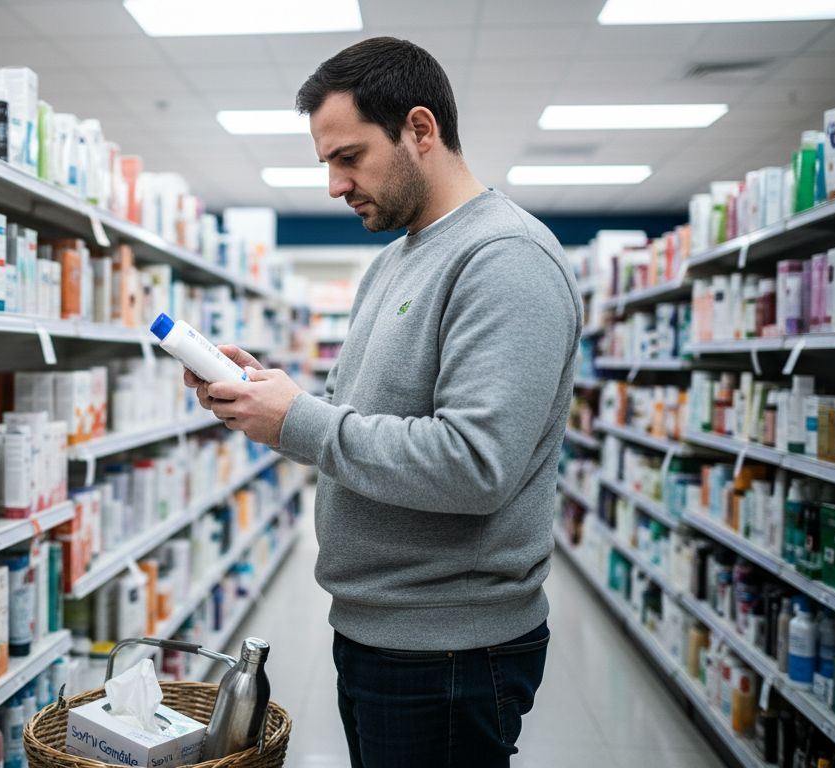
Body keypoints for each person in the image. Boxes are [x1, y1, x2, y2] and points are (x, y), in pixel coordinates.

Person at [183, 37, 582, 768]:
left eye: (350, 157)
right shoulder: (394, 261)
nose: (335, 185)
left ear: (419, 129)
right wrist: (269, 403)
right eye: (327, 163)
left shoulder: (505, 259)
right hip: (378, 626)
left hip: (449, 647)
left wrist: (300, 420)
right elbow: (353, 415)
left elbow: (475, 466)